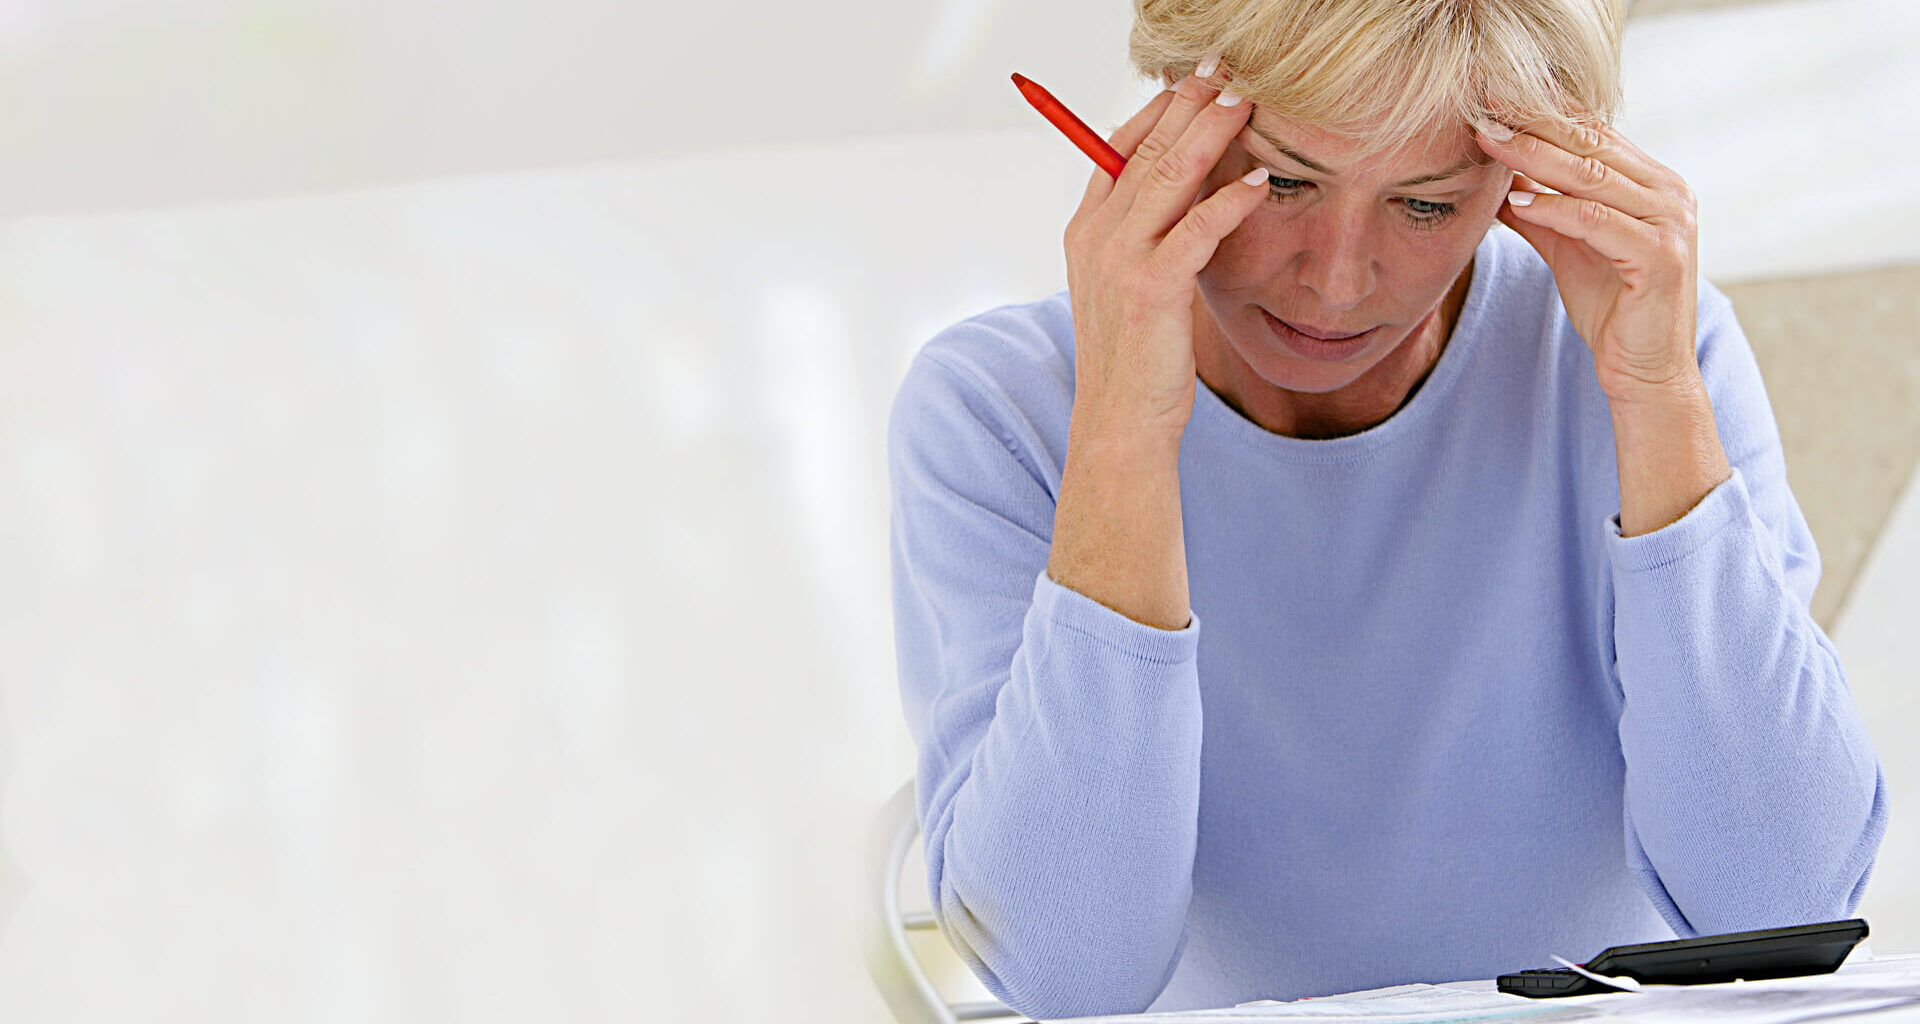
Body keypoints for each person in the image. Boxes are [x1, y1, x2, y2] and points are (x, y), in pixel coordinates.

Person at [884, 0, 1889, 1017]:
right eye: (1282, 182)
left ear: (1520, 180)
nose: (1336, 281)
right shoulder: (997, 409)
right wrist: (1123, 427)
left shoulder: (1646, 346)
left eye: (1426, 205)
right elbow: (1067, 973)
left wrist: (1657, 396)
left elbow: (1783, 902)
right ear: (1167, 127)